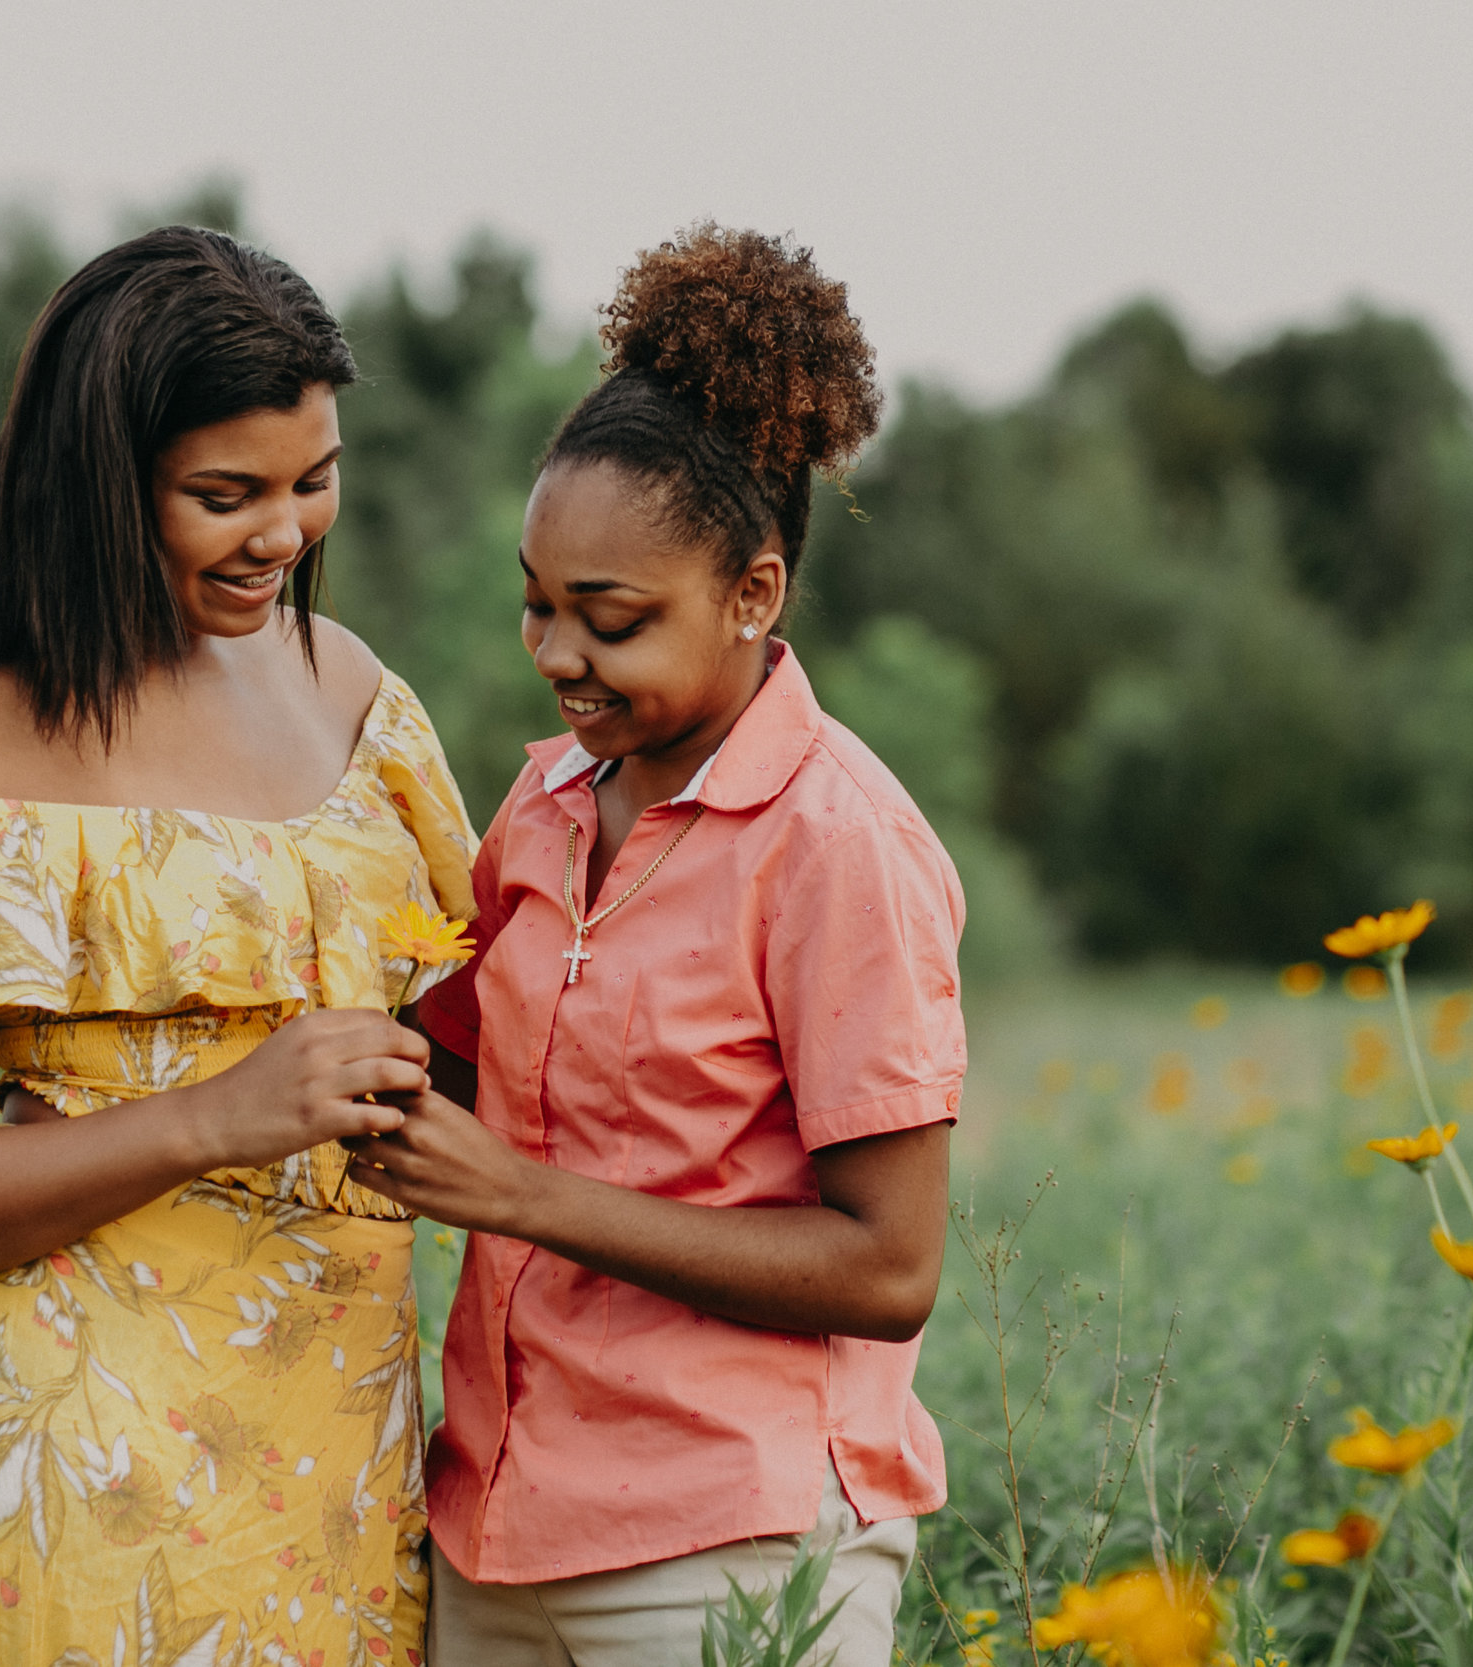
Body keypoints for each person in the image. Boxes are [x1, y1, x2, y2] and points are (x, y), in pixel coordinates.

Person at [0, 225, 476, 1667]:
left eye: (313, 481)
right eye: (226, 495)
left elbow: (462, 1047)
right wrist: (209, 1118)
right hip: (74, 1479)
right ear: (99, 484)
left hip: (346, 1463)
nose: (282, 535)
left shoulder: (352, 693)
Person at [343, 224, 963, 1667]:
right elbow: (454, 1079)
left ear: (754, 596)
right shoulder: (546, 807)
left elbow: (888, 1266)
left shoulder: (838, 844)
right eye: (538, 603)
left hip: (732, 1545)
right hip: (492, 1524)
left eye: (609, 621)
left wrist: (521, 1195)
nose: (557, 654)